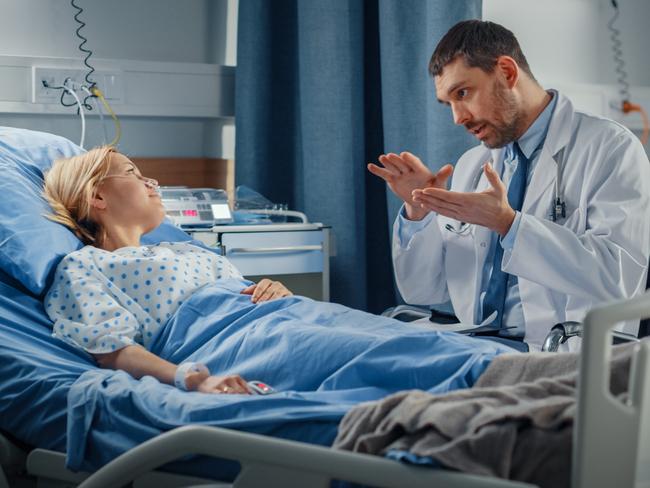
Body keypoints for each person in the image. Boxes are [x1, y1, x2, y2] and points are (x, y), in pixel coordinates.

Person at [368, 20, 650, 351]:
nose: (458, 117)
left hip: (558, 354)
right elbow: (424, 291)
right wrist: (420, 210)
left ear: (506, 72)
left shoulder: (609, 147)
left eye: (463, 93)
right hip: (474, 344)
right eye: (449, 103)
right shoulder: (474, 164)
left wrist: (509, 224)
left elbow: (619, 279)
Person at [43, 146, 293, 395]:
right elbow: (112, 350)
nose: (152, 182)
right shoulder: (85, 266)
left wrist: (274, 291)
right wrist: (193, 379)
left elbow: (244, 299)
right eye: (132, 173)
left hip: (285, 322)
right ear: (97, 197)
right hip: (245, 347)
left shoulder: (187, 250)